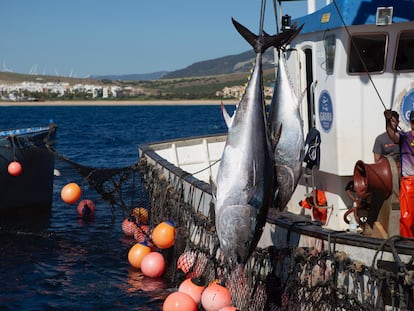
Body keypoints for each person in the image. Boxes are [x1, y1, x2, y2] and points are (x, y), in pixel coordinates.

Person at [384, 109, 414, 237]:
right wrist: (388, 121)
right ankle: (408, 243)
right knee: (407, 216)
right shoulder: (404, 137)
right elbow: (392, 135)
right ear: (410, 122)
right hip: (408, 181)